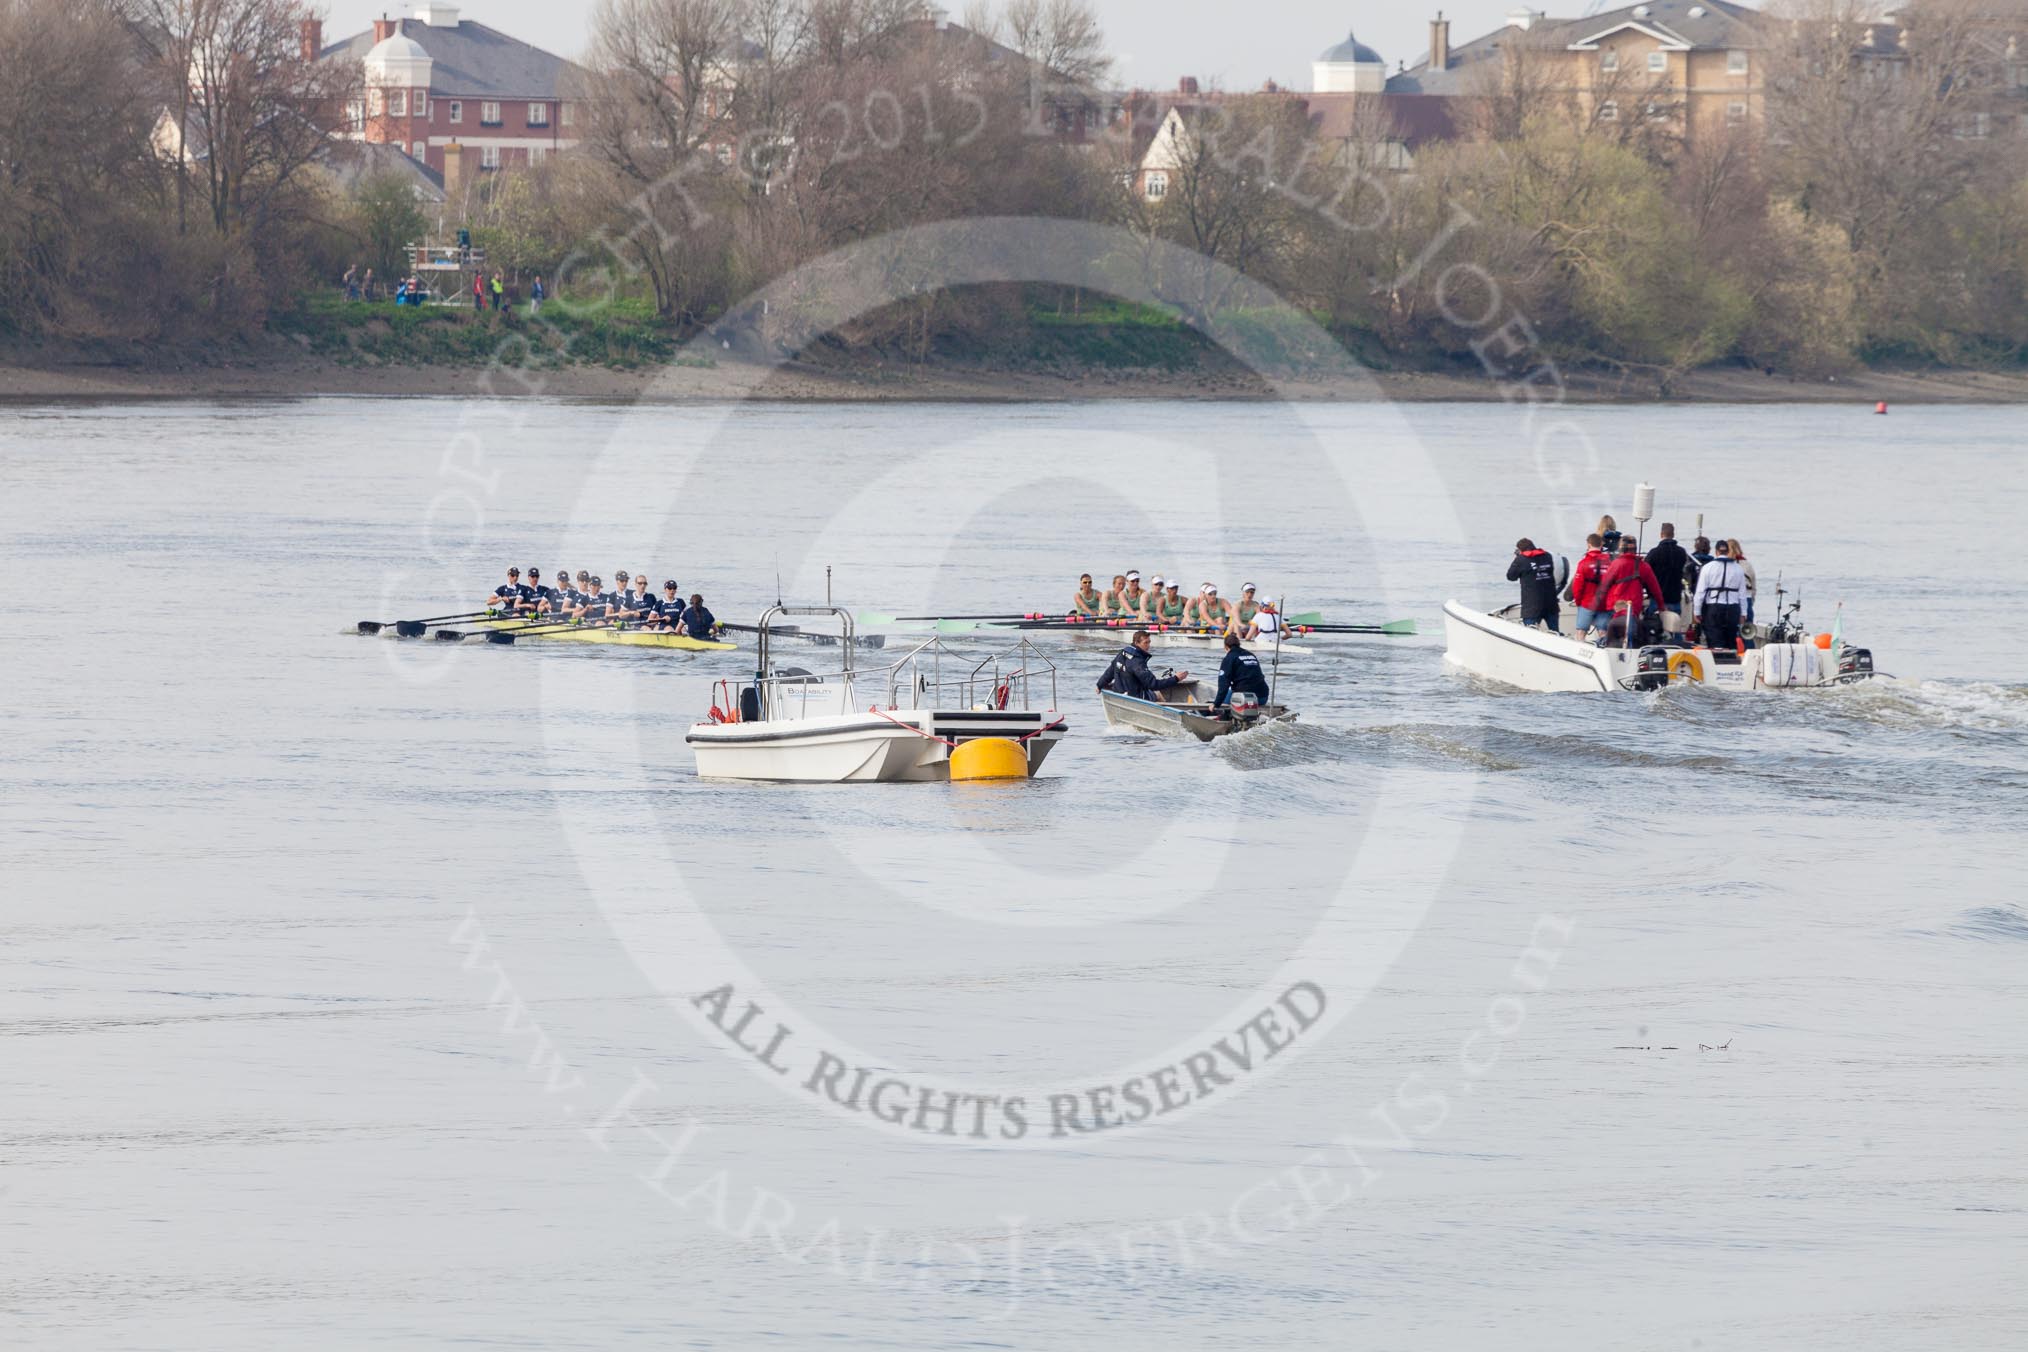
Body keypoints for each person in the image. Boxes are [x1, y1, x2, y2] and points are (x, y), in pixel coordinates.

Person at [1598, 536, 1665, 647]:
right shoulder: (1644, 566)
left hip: (1615, 606)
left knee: (1611, 635)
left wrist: (1599, 605)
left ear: (1621, 549)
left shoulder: (1616, 564)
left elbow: (1604, 586)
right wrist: (1661, 605)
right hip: (1634, 607)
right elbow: (1655, 589)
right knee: (1632, 634)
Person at [1096, 630, 1188, 699]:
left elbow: (1110, 672)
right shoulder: (1137, 662)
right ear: (1136, 643)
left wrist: (1099, 685)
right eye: (1145, 643)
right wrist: (1176, 679)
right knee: (1159, 694)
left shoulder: (1122, 653)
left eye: (1149, 642)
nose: (1148, 646)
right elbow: (1153, 685)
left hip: (1119, 692)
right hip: (1135, 697)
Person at [1692, 539, 1750, 651]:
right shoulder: (1738, 569)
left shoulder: (1708, 568)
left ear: (1716, 552)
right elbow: (1742, 594)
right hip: (1732, 608)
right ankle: (1731, 663)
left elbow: (1700, 592)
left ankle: (1717, 662)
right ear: (1728, 552)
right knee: (1731, 640)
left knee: (1715, 641)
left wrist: (1697, 611)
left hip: (1714, 608)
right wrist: (1743, 613)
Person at [1507, 538, 1561, 632]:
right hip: (1551, 603)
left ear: (1520, 550)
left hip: (1532, 606)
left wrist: (1517, 559)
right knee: (1555, 632)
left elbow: (1511, 576)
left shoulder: (1521, 560)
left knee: (1530, 634)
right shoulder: (1547, 556)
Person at [1566, 533, 1613, 639]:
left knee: (1581, 632)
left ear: (1588, 544)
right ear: (1601, 545)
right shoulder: (1609, 563)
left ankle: (1580, 651)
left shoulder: (1583, 563)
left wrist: (1579, 602)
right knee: (1603, 632)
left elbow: (1577, 587)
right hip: (1604, 604)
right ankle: (1603, 650)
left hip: (1587, 603)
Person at [1213, 633, 1272, 710]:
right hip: (1262, 697)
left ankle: (1223, 717)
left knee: (1223, 700)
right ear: (1239, 644)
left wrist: (1216, 704)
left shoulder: (1229, 658)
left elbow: (1223, 685)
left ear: (1226, 646)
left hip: (1244, 698)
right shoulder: (1251, 655)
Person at [1645, 523, 1690, 619]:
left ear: (1661, 534)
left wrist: (1649, 592)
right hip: (1675, 597)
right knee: (1675, 626)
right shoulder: (1681, 552)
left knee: (1653, 626)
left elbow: (1645, 573)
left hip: (1657, 598)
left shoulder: (1654, 553)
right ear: (1673, 535)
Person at [1728, 539, 1757, 624]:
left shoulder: (1725, 565)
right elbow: (1753, 587)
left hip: (1731, 601)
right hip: (1746, 598)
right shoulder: (1747, 565)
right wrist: (1751, 602)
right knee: (1747, 631)